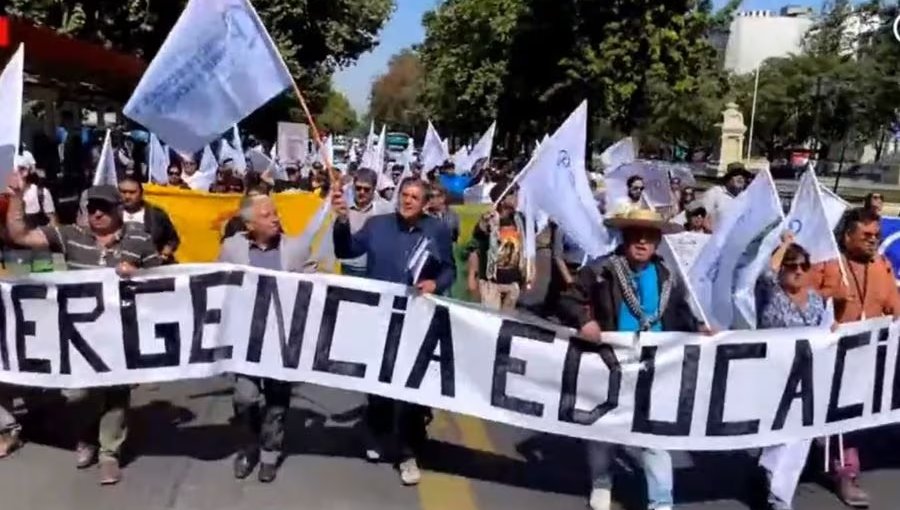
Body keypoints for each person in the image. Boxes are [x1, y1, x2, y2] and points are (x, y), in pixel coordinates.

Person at [4, 179, 161, 485]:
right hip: (80, 336)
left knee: (116, 393)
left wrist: (138, 275)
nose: (97, 214)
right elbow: (20, 235)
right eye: (92, 208)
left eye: (103, 208)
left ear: (119, 210)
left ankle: (109, 454)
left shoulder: (139, 239)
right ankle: (89, 436)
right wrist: (18, 197)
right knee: (84, 391)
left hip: (122, 332)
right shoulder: (71, 236)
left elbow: (161, 282)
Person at [557, 207, 704, 510]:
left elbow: (680, 313)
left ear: (657, 241)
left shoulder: (667, 275)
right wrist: (584, 320)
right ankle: (601, 481)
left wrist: (699, 328)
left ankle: (661, 502)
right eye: (635, 235)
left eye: (648, 236)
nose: (641, 242)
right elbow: (568, 299)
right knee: (603, 430)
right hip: (611, 364)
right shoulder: (602, 270)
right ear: (624, 238)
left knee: (655, 436)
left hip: (655, 366)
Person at [332, 177, 455, 486]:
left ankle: (407, 453)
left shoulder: (436, 230)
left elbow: (449, 269)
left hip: (415, 319)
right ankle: (377, 431)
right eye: (404, 194)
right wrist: (342, 222)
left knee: (410, 390)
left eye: (415, 196)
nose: (408, 200)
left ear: (425, 203)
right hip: (379, 318)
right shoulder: (377, 225)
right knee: (378, 384)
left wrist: (434, 284)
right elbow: (345, 250)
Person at [218, 194, 317, 483]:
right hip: (246, 339)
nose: (275, 218)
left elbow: (313, 283)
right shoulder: (232, 247)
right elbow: (219, 284)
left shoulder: (295, 247)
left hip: (282, 339)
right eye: (266, 215)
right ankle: (249, 446)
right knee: (245, 397)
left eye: (275, 212)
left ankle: (269, 453)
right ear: (249, 224)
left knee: (276, 400)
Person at [809, 207, 900, 507]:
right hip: (825, 357)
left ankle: (846, 473)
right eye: (866, 236)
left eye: (876, 236)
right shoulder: (827, 263)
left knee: (850, 419)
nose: (873, 241)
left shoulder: (881, 266)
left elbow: (894, 307)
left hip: (864, 357)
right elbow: (802, 300)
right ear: (847, 237)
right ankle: (780, 467)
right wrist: (829, 299)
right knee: (807, 417)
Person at [756, 233, 831, 510]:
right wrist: (785, 245)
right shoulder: (770, 294)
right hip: (774, 375)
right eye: (791, 265)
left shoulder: (815, 300)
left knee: (799, 438)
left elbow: (824, 330)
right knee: (777, 434)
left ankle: (779, 498)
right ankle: (768, 477)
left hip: (806, 377)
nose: (798, 270)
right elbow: (766, 272)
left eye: (803, 265)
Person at [466, 181, 528, 312]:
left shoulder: (520, 220)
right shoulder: (488, 220)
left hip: (512, 282)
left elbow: (526, 249)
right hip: (491, 283)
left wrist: (527, 274)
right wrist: (472, 276)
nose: (517, 198)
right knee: (490, 320)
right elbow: (474, 249)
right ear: (503, 198)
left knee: (506, 322)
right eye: (513, 194)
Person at [339, 168, 393, 277]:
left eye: (366, 189)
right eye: (358, 188)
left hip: (370, 271)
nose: (361, 192)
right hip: (342, 268)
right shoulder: (341, 207)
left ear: (374, 189)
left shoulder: (386, 209)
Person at [118, 176, 180, 263]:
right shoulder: (111, 214)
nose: (127, 196)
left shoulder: (156, 214)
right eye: (123, 192)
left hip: (150, 266)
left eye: (132, 192)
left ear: (141, 194)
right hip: (120, 264)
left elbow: (172, 239)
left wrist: (165, 253)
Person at [701, 162, 751, 230]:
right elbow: (701, 218)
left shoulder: (747, 198)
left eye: (744, 175)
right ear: (728, 178)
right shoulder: (715, 193)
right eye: (736, 174)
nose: (740, 177)